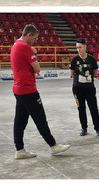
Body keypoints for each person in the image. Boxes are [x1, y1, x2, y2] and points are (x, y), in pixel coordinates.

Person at [11, 24, 70, 159]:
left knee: (20, 121)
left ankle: (19, 149)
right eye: (35, 38)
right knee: (40, 119)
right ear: (29, 35)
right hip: (28, 90)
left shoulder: (16, 44)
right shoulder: (25, 47)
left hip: (19, 89)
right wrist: (34, 53)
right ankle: (53, 145)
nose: (35, 41)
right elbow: (37, 69)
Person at [70, 38, 99, 138]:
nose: (78, 49)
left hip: (89, 88)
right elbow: (72, 74)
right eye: (77, 48)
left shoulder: (91, 59)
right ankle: (84, 128)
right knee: (81, 109)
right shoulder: (74, 59)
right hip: (77, 89)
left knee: (93, 108)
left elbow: (95, 72)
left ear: (85, 47)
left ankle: (98, 129)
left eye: (80, 47)